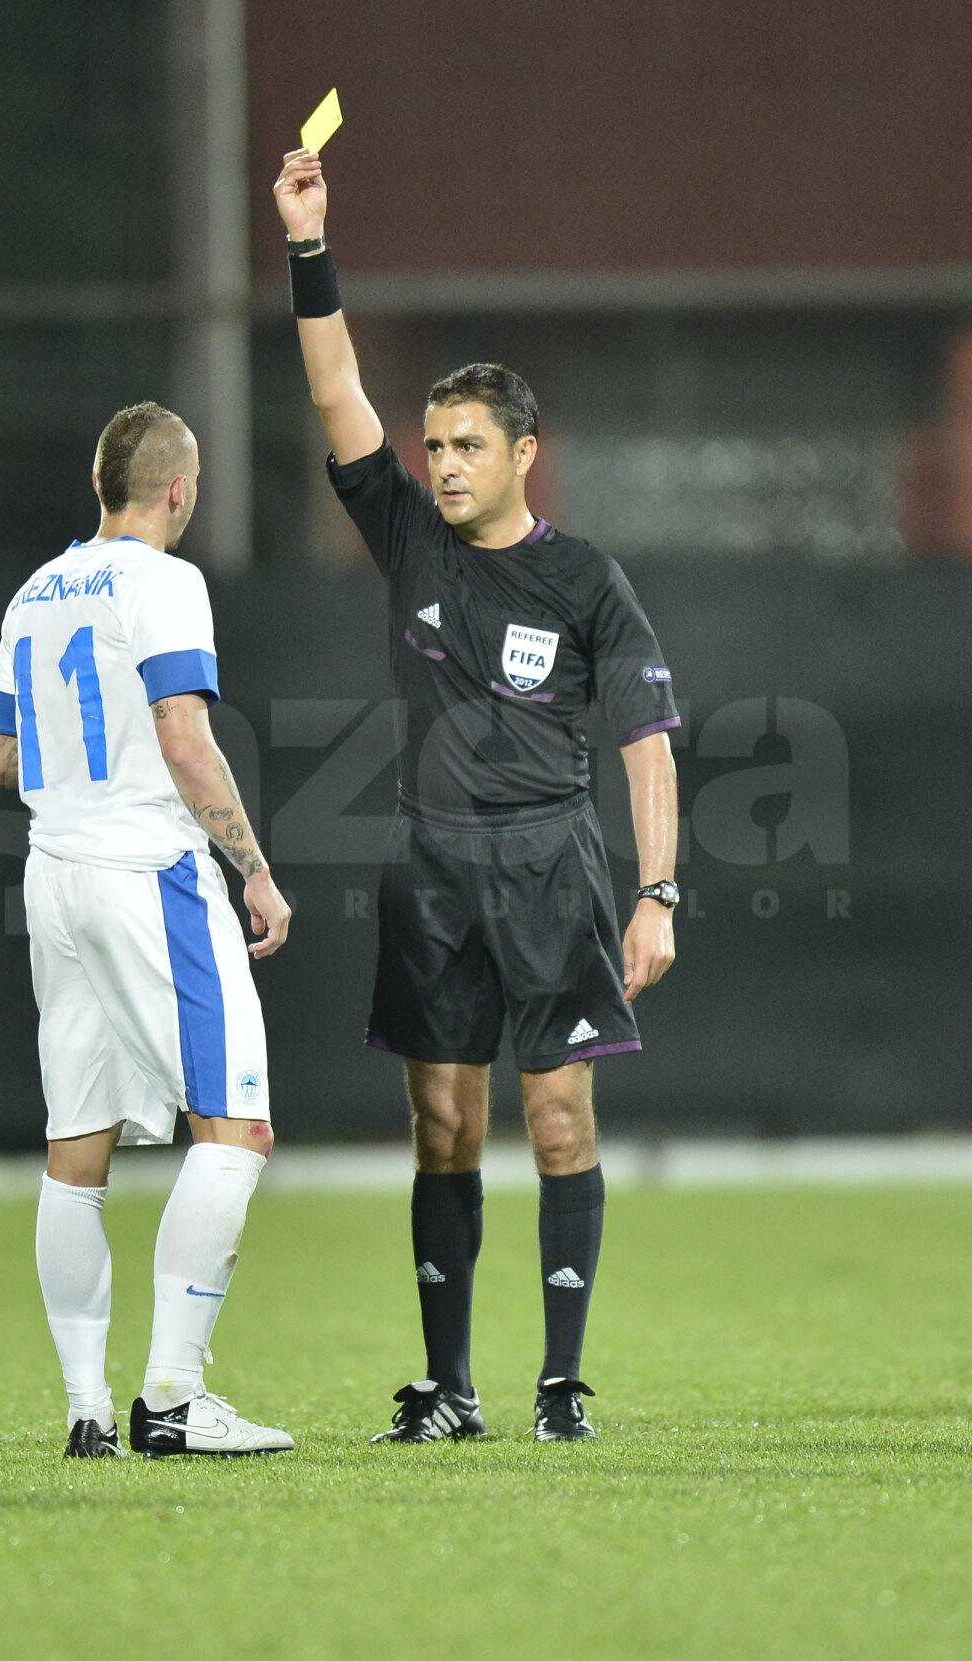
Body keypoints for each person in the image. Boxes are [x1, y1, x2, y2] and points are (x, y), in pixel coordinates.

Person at [274, 151, 681, 1444]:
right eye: (432, 443)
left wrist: (660, 889)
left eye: (465, 446)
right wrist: (309, 246)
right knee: (443, 1120)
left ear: (524, 456)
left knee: (557, 1113)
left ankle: (562, 1380)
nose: (441, 463)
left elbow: (648, 744)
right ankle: (449, 1387)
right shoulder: (408, 539)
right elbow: (335, 381)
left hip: (552, 864)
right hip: (431, 867)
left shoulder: (589, 584)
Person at [0, 401, 294, 1458]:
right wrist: (253, 868)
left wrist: (79, 776)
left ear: (98, 484)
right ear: (179, 489)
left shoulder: (34, 589)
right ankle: (171, 1396)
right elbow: (185, 737)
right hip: (143, 871)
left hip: (53, 874)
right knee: (237, 1127)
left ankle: (85, 1408)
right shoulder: (166, 580)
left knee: (76, 1151)